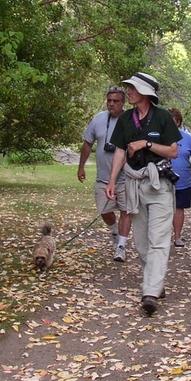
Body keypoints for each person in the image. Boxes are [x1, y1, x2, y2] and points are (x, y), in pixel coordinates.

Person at [106, 72, 179, 316]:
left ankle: (149, 292)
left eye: (133, 88)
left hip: (159, 186)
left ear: (146, 93)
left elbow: (173, 151)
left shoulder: (163, 117)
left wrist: (146, 144)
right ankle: (156, 282)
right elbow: (118, 151)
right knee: (141, 242)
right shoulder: (126, 119)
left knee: (158, 240)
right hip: (134, 185)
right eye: (128, 87)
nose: (129, 91)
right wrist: (112, 180)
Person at [78, 86, 132, 262]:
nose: (111, 104)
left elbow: (132, 149)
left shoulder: (131, 120)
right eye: (109, 100)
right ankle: (115, 232)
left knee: (126, 211)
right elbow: (87, 143)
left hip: (125, 178)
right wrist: (81, 166)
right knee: (104, 211)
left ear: (123, 102)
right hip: (102, 177)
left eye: (116, 101)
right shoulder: (98, 119)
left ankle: (121, 247)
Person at [168, 108, 191, 248]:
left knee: (179, 208)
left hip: (183, 181)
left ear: (179, 122)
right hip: (163, 181)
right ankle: (163, 236)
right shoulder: (160, 137)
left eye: (172, 122)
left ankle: (177, 236)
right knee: (163, 208)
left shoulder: (187, 138)